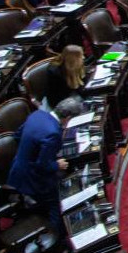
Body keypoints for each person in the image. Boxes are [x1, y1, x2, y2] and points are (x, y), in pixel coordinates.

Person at [8, 96, 83, 231]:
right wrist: (56, 164)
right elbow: (42, 165)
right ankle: (57, 236)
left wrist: (31, 151)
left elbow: (17, 135)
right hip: (33, 178)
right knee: (56, 204)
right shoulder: (53, 133)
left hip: (18, 167)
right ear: (67, 118)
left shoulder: (37, 115)